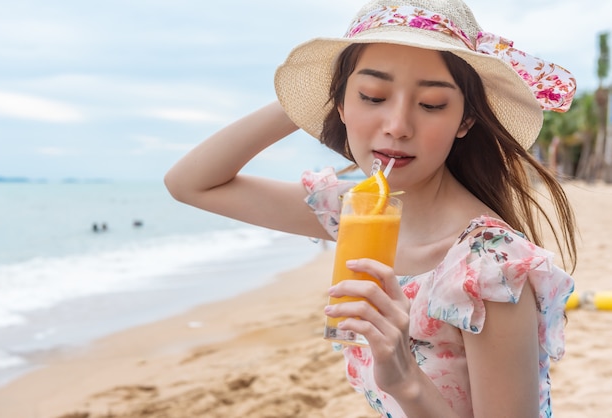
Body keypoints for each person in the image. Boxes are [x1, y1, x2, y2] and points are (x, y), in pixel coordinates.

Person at [164, 0, 578, 416]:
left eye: (432, 103)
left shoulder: (489, 266)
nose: (397, 125)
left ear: (465, 121)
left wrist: (406, 380)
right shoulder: (356, 211)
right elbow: (190, 184)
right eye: (372, 95)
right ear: (340, 105)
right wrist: (312, 93)